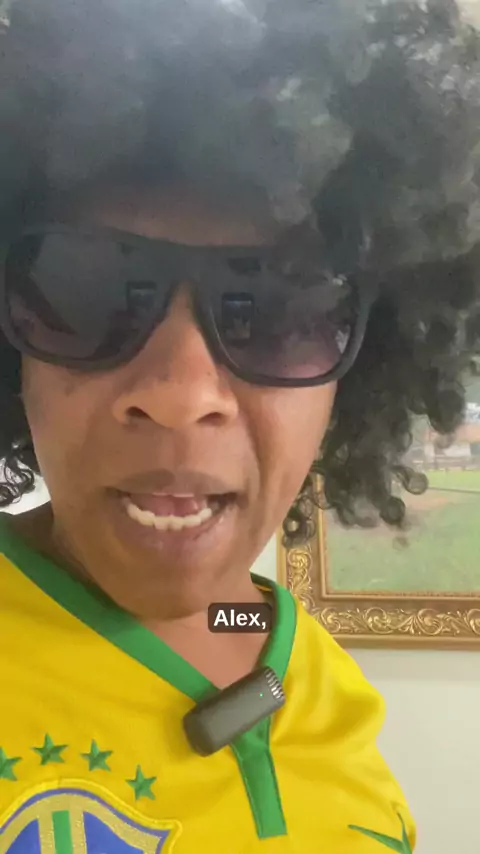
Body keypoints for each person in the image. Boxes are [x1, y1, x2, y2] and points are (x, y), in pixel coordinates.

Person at [1, 0, 480, 851]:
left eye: (280, 312)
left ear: (359, 373)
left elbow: (230, 618)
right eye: (87, 291)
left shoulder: (321, 679)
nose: (183, 392)